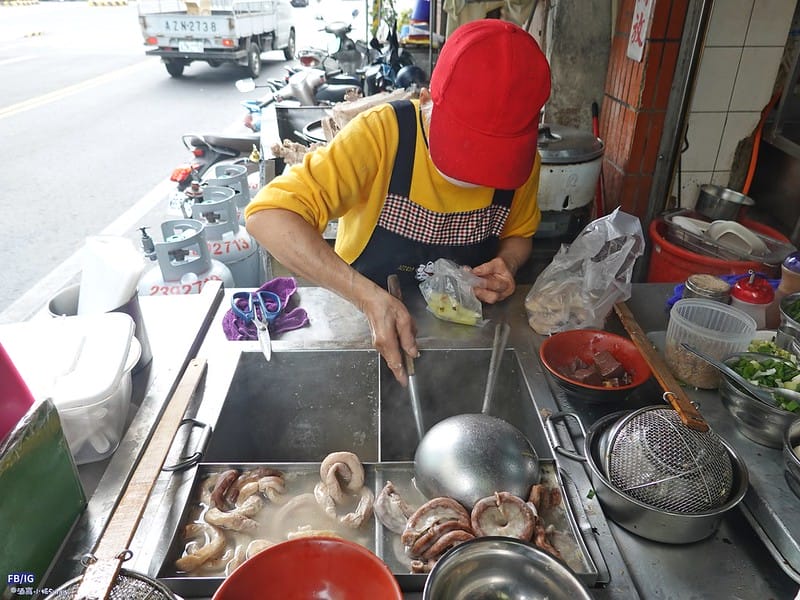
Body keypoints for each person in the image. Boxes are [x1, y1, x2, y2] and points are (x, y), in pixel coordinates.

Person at [245, 18, 551, 384]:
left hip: (462, 335)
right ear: (426, 102)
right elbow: (268, 215)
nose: (475, 176)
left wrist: (509, 264)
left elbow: (519, 233)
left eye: (492, 162)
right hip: (365, 329)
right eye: (463, 151)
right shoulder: (380, 136)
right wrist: (365, 297)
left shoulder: (523, 162)